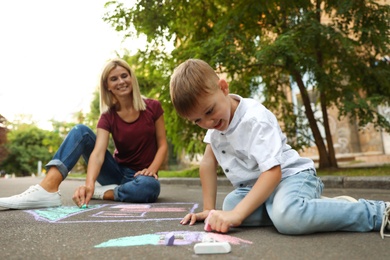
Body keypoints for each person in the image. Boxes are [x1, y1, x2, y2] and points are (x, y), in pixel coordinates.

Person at [169, 58, 390, 239]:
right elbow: (208, 163)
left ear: (224, 88)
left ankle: (376, 212)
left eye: (209, 111)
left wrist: (237, 215)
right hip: (260, 187)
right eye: (197, 120)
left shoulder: (254, 119)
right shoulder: (216, 125)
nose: (208, 122)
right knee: (230, 204)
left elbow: (273, 172)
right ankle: (306, 208)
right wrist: (210, 209)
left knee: (288, 219)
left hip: (291, 177)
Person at [0, 58, 168, 209]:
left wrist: (151, 169)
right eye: (114, 79)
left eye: (124, 76)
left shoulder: (153, 107)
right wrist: (89, 184)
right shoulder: (107, 116)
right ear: (107, 86)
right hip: (115, 172)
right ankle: (47, 188)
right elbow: (97, 154)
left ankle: (105, 193)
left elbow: (162, 144)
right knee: (80, 131)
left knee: (149, 188)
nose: (121, 81)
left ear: (132, 78)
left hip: (143, 176)